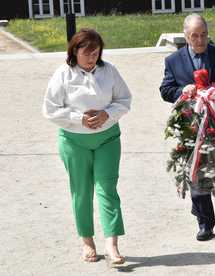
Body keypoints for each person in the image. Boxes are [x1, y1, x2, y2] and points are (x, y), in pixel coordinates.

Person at [42, 28, 132, 264]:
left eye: (96, 52)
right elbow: (50, 109)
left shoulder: (109, 71)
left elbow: (124, 100)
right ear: (75, 51)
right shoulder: (63, 74)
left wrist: (107, 114)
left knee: (107, 189)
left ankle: (112, 244)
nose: (92, 57)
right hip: (74, 141)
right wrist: (78, 118)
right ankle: (87, 241)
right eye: (87, 52)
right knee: (81, 191)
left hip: (107, 138)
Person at [160, 13, 215, 241]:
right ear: (186, 37)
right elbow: (165, 90)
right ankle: (206, 222)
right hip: (190, 124)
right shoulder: (173, 61)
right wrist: (181, 91)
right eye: (194, 36)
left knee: (212, 168)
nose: (199, 40)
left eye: (203, 35)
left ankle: (200, 207)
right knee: (196, 169)